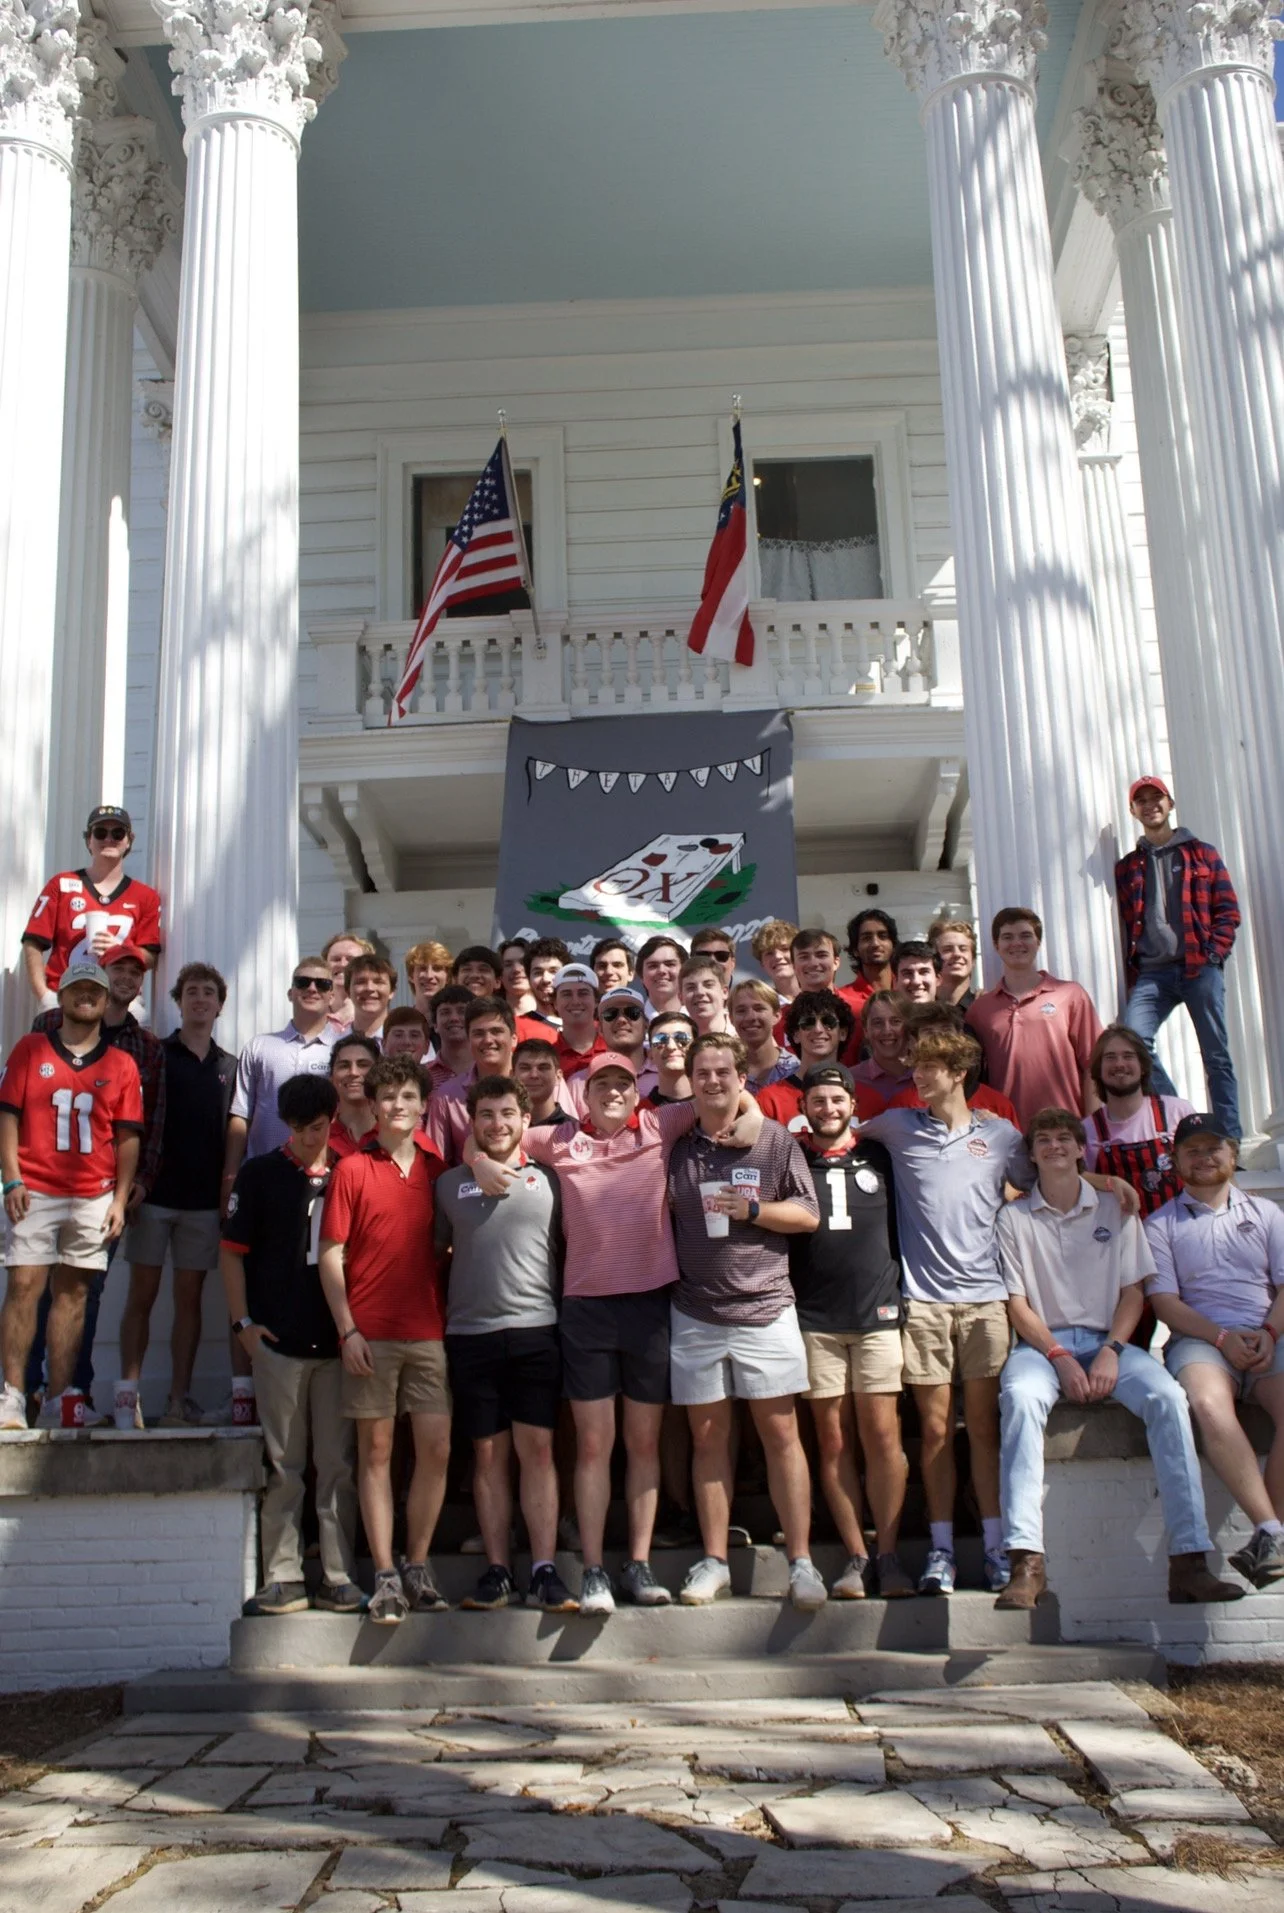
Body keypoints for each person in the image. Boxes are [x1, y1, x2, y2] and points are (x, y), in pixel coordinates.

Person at [468, 1049, 713, 1614]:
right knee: (595, 1446)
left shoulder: (659, 1122)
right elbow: (492, 1137)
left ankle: (640, 1561)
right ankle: (597, 1569)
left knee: (645, 1442)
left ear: (636, 1088)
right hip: (585, 1309)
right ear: (583, 1090)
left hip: (649, 1304)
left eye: (622, 1083)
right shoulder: (556, 1139)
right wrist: (477, 1160)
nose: (613, 1092)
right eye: (601, 1083)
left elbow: (727, 1102)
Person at [997, 1106, 1241, 1610]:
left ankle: (1190, 1559)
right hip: (1043, 1347)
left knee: (1169, 1398)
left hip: (1110, 1341)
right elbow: (1017, 1305)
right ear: (1033, 1152)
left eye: (1066, 1138)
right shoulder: (1013, 1217)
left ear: (1082, 1149)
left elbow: (1134, 1293)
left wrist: (1110, 1350)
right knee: (1020, 1399)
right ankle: (1026, 1562)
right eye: (1044, 1140)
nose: (1056, 1147)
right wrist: (1060, 1355)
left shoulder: (1117, 1208)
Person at [861, 1027, 1036, 1596]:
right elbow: (831, 1137)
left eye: (929, 1065)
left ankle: (994, 1548)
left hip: (988, 1301)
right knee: (934, 1431)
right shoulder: (895, 1125)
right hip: (925, 1304)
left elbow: (1040, 1192)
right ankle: (940, 1550)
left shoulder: (1003, 1134)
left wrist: (1104, 1181)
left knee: (983, 1429)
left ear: (958, 1071)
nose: (916, 1073)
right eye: (914, 1064)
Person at [666, 1033, 826, 1610]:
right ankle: (714, 1561)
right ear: (690, 1081)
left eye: (723, 1071)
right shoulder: (675, 1143)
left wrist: (754, 1210)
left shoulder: (775, 1140)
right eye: (702, 1072)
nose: (713, 1081)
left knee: (782, 1435)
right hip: (695, 1310)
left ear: (741, 1078)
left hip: (766, 1308)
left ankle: (802, 1563)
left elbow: (807, 1215)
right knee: (708, 1439)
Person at [222, 1072, 362, 1616]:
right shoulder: (259, 1175)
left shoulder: (350, 1173)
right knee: (284, 1465)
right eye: (300, 1128)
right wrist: (244, 1326)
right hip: (277, 1343)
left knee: (338, 1466)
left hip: (336, 1344)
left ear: (334, 1120)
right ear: (286, 1123)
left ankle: (338, 1572)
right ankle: (282, 1575)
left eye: (319, 1127)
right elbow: (230, 1252)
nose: (309, 1137)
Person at [319, 1056, 452, 1625]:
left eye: (407, 1096)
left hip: (429, 1330)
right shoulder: (351, 1168)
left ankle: (417, 1563)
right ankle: (385, 1573)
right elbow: (330, 1253)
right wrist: (346, 1328)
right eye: (387, 1097)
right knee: (375, 1455)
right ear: (372, 1106)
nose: (397, 1105)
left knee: (436, 1451)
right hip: (368, 1333)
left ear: (423, 1105)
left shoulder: (437, 1168)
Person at [436, 1075, 576, 1613]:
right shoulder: (449, 1184)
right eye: (486, 1115)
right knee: (487, 1454)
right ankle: (497, 1570)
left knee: (537, 1451)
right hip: (469, 1335)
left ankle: (543, 1569)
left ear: (525, 1120)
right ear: (474, 1123)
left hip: (537, 1330)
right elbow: (439, 1252)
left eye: (507, 1114)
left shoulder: (552, 1180)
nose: (497, 1124)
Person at [0, 963, 143, 1430]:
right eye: (77, 989)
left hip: (93, 1194)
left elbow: (127, 1137)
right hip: (36, 1187)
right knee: (24, 1286)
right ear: (60, 997)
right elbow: (8, 1115)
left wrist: (119, 1199)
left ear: (106, 1000)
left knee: (75, 1294)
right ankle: (14, 1395)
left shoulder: (122, 1063)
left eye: (94, 991)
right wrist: (12, 1178)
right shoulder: (30, 1048)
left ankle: (64, 1399)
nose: (86, 997)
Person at [790, 1065, 914, 1600]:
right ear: (805, 1106)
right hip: (815, 1319)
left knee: (882, 1433)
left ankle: (888, 1553)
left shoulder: (882, 1155)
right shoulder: (791, 1156)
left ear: (852, 1103)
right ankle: (855, 1555)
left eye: (837, 1098)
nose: (828, 1108)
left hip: (877, 1315)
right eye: (817, 1099)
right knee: (833, 1437)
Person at [1145, 1113, 1284, 1589]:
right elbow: (1164, 1302)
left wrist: (1268, 1332)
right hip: (1201, 1340)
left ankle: (1271, 1536)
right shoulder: (1160, 1224)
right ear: (1176, 1160)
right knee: (1206, 1403)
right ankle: (1271, 1530)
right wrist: (1221, 1337)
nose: (1204, 1158)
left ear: (1233, 1154)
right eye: (1192, 1151)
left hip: (1268, 1334)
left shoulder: (1267, 1214)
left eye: (1213, 1148)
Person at [27, 943, 167, 1414]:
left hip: (105, 1191)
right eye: (118, 969)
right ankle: (27, 1388)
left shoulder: (146, 1045)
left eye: (135, 971)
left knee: (87, 1291)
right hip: (42, 1181)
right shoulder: (47, 1027)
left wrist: (138, 1184)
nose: (127, 976)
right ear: (101, 977)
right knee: (34, 1285)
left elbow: (153, 1121)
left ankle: (74, 1391)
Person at [115, 962, 237, 1430]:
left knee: (190, 1300)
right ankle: (128, 1398)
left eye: (209, 991)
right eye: (191, 991)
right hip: (153, 1196)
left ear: (220, 1004)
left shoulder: (231, 1065)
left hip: (204, 1203)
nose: (200, 998)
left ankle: (177, 1401)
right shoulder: (156, 1055)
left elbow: (234, 1132)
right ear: (179, 1000)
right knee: (140, 1296)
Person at [1117, 775, 1241, 1139]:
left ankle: (1229, 1138)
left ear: (1170, 804)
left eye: (1157, 798)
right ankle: (1184, 1117)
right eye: (1142, 800)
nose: (1150, 805)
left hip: (1198, 967)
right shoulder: (1128, 867)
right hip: (1153, 973)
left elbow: (1228, 911)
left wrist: (1213, 954)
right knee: (1134, 1042)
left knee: (1216, 1056)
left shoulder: (1202, 853)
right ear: (1133, 810)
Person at [966, 907, 1102, 1127]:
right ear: (996, 945)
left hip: (1067, 1126)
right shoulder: (980, 1009)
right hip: (1005, 1129)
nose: (1017, 943)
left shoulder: (1070, 994)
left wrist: (1095, 1127)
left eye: (1026, 935)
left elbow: (1093, 1063)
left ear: (1038, 942)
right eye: (1007, 937)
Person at [22, 805, 163, 1010]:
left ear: (129, 840)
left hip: (120, 1003)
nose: (109, 839)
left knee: (139, 1025)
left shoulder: (146, 896)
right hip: (66, 997)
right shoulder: (61, 884)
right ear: (89, 840)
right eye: (100, 833)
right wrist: (44, 995)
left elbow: (151, 957)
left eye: (117, 833)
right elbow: (32, 940)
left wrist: (121, 949)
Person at [225, 960, 340, 1181]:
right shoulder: (259, 1046)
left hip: (323, 1175)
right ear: (290, 993)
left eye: (323, 984)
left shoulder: (343, 1050)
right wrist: (230, 1174)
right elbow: (241, 1115)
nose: (312, 988)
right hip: (263, 1173)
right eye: (303, 982)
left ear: (332, 996)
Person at [1083, 1025, 1194, 1217]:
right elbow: (1074, 1179)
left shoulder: (1178, 1111)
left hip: (1182, 1232)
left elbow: (1209, 1164)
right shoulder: (1087, 1129)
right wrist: (1109, 1181)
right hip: (1121, 1238)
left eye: (1128, 1056)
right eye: (1110, 1057)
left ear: (1143, 1066)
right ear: (1098, 1070)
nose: (1119, 1064)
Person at [757, 992, 882, 1132]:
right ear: (796, 1035)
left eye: (828, 1022)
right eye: (808, 1023)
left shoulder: (870, 1099)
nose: (818, 1029)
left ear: (843, 1033)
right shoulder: (770, 1100)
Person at [887, 1001, 1020, 1125]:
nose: (939, 1039)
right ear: (913, 1042)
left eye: (946, 1030)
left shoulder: (997, 1105)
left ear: (960, 1036)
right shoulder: (903, 1105)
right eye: (929, 1032)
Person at [426, 996, 519, 1166]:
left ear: (514, 1038)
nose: (488, 1040)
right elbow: (436, 1165)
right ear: (468, 1041)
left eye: (496, 1031)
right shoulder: (446, 1097)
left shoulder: (538, 1084)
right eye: (478, 1033)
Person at [566, 986, 656, 1109]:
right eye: (610, 1014)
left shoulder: (666, 1074)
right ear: (600, 1029)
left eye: (632, 1013)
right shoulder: (579, 1083)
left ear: (646, 1025)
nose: (621, 1020)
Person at [729, 979, 796, 1093]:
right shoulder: (726, 1070)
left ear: (777, 1015)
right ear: (731, 1019)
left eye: (759, 1009)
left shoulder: (795, 1069)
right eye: (741, 1011)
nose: (751, 1017)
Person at [851, 991, 914, 1109]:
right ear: (866, 1031)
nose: (887, 1031)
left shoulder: (927, 1078)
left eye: (895, 1022)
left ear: (909, 1027)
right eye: (877, 1023)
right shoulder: (849, 1081)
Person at [839, 909, 898, 1027]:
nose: (876, 943)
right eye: (866, 938)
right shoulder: (842, 1000)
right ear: (855, 950)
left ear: (893, 945)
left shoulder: (909, 992)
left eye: (882, 936)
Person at [328, 1034, 380, 1157]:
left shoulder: (396, 1135)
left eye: (363, 1065)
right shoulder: (317, 1136)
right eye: (344, 1066)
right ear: (331, 1078)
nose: (353, 1072)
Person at [552, 963, 607, 1073]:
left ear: (596, 1001)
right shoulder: (547, 1056)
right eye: (566, 994)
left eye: (583, 993)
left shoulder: (614, 1048)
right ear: (555, 1003)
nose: (575, 1001)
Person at [513, 1037, 574, 1127]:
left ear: (558, 1076)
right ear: (512, 1075)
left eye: (543, 1068)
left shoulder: (575, 1132)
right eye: (525, 1068)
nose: (534, 1075)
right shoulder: (500, 1130)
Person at [322, 934, 374, 1032]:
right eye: (336, 959)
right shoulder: (313, 1017)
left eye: (351, 959)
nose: (343, 964)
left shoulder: (376, 1018)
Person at [427, 984, 473, 1091]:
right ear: (435, 1025)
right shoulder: (423, 1075)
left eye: (462, 1011)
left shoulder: (486, 1068)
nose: (454, 1018)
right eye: (445, 1012)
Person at [344, 954, 396, 1046]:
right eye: (361, 982)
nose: (369, 988)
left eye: (378, 982)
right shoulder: (334, 1042)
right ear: (348, 991)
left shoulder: (406, 1043)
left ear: (392, 991)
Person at [646, 1012, 695, 1105]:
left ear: (696, 1049)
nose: (671, 1046)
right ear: (650, 1054)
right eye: (660, 1040)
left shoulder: (714, 1109)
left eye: (682, 1038)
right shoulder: (637, 1115)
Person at [930, 918, 978, 1011]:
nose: (957, 954)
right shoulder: (921, 1011)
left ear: (973, 960)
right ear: (933, 959)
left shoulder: (986, 1009)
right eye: (948, 949)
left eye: (963, 949)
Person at [679, 953, 731, 1037]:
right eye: (691, 987)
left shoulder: (744, 1034)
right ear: (680, 997)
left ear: (724, 992)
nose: (700, 992)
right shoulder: (676, 1043)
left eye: (708, 985)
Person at [525, 937, 571, 1027]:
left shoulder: (589, 1027)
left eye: (553, 971)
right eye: (537, 973)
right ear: (528, 978)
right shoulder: (517, 1027)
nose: (546, 979)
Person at [636, 936, 686, 1018]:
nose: (661, 971)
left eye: (670, 964)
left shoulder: (701, 1019)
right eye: (653, 966)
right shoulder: (631, 1024)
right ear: (641, 975)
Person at [751, 920, 800, 1003]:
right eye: (769, 953)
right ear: (762, 963)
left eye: (785, 949)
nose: (777, 956)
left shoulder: (820, 995)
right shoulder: (760, 1005)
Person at [405, 940, 453, 1022]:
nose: (429, 976)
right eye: (422, 968)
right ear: (411, 975)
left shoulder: (459, 1023)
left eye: (437, 968)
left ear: (448, 977)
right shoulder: (401, 1024)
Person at [789, 928, 842, 998]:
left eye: (821, 955)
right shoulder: (785, 1009)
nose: (813, 963)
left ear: (836, 962)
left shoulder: (857, 1008)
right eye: (804, 957)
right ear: (794, 966)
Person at [689, 927, 737, 993]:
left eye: (721, 956)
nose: (713, 961)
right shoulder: (681, 999)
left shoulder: (750, 998)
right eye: (703, 956)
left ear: (733, 963)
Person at [892, 941, 941, 1005]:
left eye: (924, 972)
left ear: (937, 979)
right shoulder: (881, 1015)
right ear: (895, 982)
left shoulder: (954, 1015)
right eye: (907, 973)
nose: (916, 981)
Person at [499, 938, 537, 1018]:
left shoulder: (557, 1017)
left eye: (523, 962)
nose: (516, 969)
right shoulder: (489, 1017)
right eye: (508, 965)